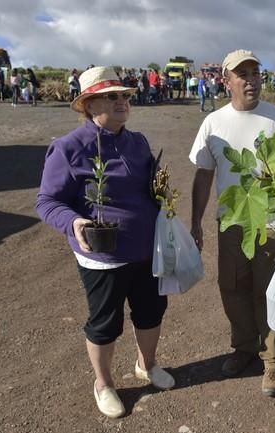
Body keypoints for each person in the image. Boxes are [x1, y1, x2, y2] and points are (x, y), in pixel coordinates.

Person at [35, 66, 174, 419]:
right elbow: (47, 201)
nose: (122, 101)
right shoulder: (67, 148)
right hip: (103, 257)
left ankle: (147, 364)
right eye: (112, 96)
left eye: (125, 95)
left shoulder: (137, 141)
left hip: (146, 249)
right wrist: (74, 222)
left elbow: (146, 186)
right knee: (105, 323)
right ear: (88, 103)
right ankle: (104, 383)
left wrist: (162, 196)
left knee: (151, 312)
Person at [188, 49, 275, 397]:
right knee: (233, 287)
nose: (251, 80)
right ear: (227, 81)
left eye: (255, 72)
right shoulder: (213, 122)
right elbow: (204, 175)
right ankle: (244, 347)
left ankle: (274, 359)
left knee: (269, 291)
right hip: (232, 222)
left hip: (273, 223)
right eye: (243, 74)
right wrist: (195, 223)